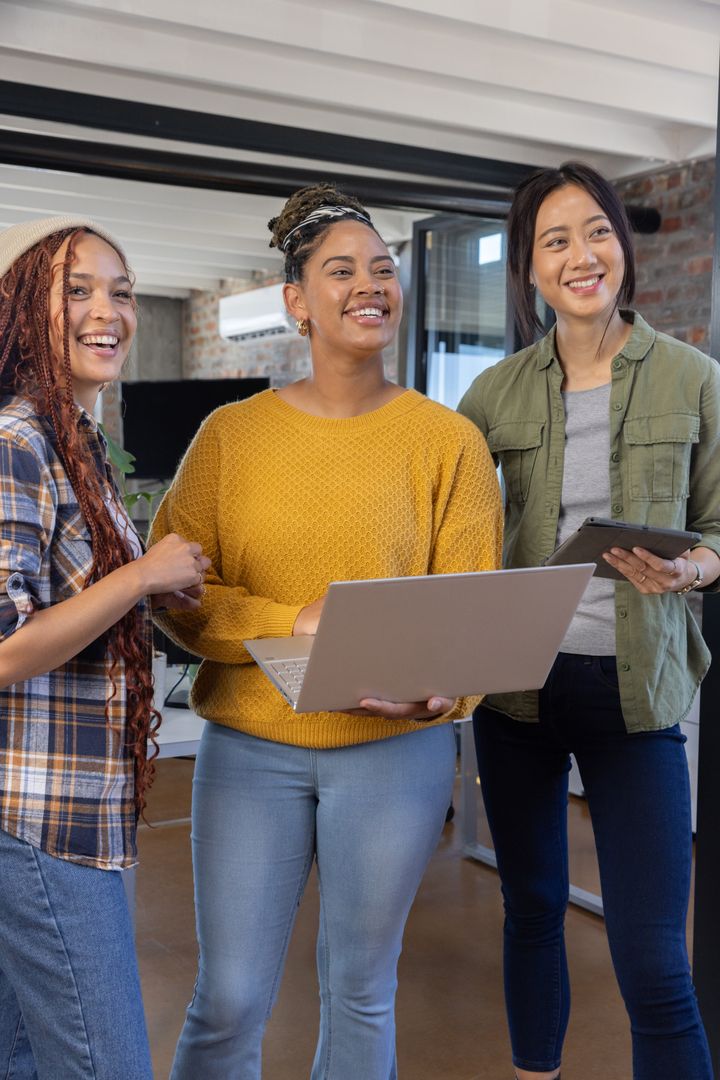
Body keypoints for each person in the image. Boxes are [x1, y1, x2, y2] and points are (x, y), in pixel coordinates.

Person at [150, 182, 503, 1080]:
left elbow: (470, 610)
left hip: (396, 750)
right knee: (227, 998)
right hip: (251, 749)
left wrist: (443, 691)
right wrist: (291, 620)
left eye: (383, 269)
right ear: (296, 302)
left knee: (361, 990)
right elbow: (173, 592)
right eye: (341, 270)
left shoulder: (448, 441)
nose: (369, 285)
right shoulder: (229, 437)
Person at [458, 162, 720, 1080]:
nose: (582, 254)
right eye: (556, 240)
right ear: (531, 269)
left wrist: (695, 564)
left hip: (638, 697)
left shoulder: (694, 378)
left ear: (623, 245)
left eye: (597, 231)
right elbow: (456, 538)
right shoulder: (490, 397)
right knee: (531, 914)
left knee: (653, 959)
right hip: (516, 695)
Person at [0, 216, 211, 1080]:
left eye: (121, 292)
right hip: (40, 821)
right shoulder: (19, 443)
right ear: (23, 312)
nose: (108, 310)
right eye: (77, 290)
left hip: (69, 808)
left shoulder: (77, 444)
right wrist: (136, 578)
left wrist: (155, 588)